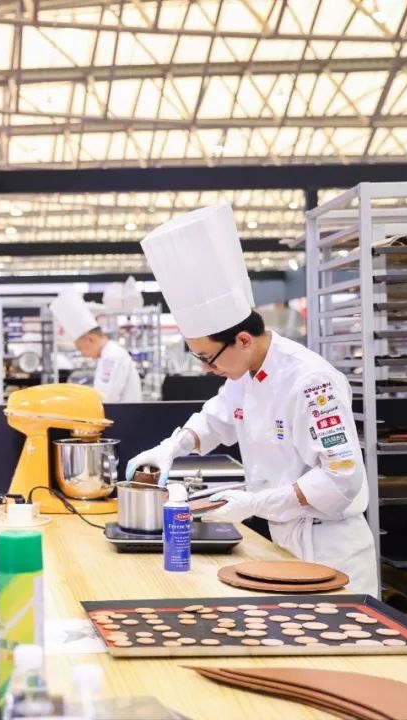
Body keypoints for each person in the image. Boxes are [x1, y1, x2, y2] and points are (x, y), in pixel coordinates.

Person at [126, 203, 378, 597]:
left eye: (209, 358)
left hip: (330, 549)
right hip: (284, 541)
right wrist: (170, 448)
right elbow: (215, 419)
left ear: (243, 339)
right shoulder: (244, 372)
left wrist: (255, 503)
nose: (207, 369)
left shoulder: (311, 382)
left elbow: (341, 479)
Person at [51, 289, 142, 403]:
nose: (82, 353)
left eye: (80, 348)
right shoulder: (109, 354)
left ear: (90, 340)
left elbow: (105, 398)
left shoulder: (111, 357)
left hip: (123, 414)